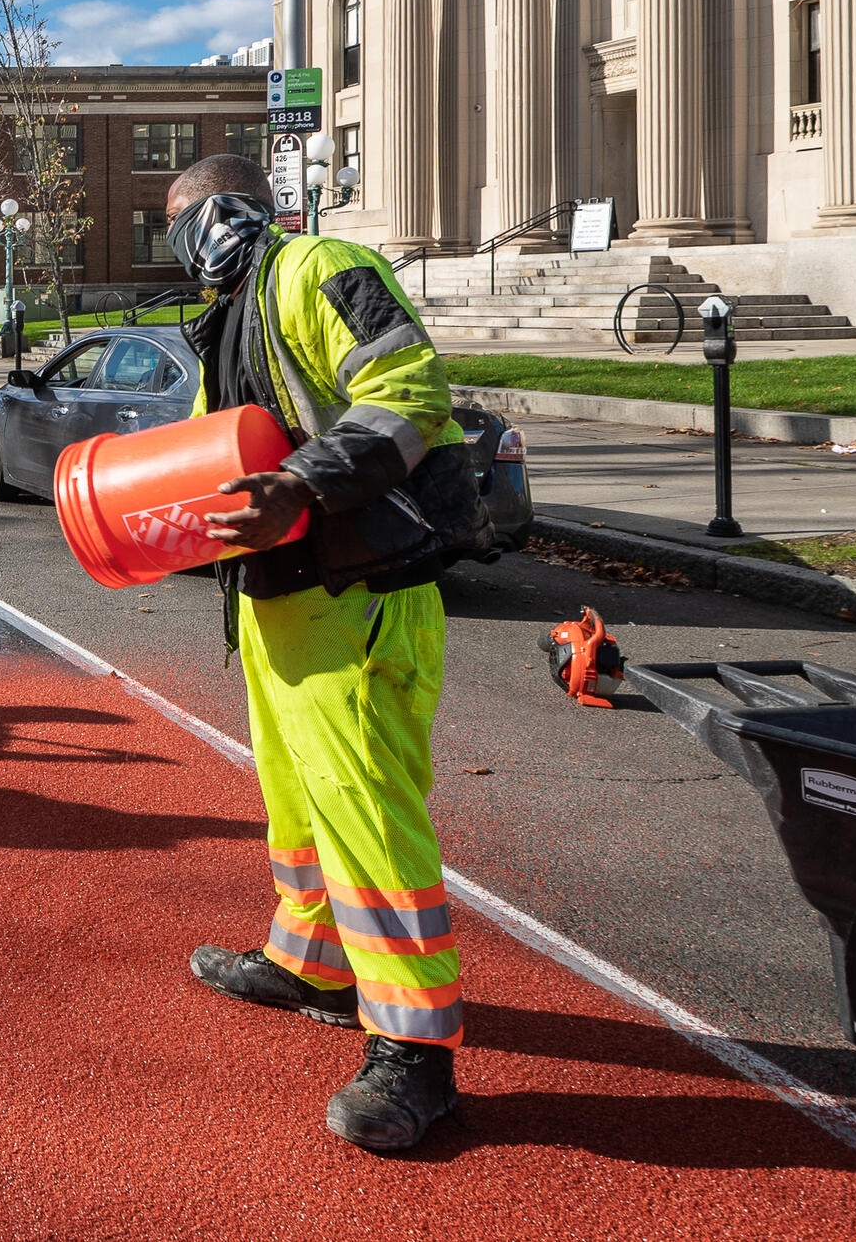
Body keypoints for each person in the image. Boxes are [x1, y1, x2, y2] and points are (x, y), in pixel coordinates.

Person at [167, 152, 493, 1153]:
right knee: (297, 801)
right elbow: (208, 458)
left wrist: (300, 485)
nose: (181, 238)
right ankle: (308, 956)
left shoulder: (316, 268)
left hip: (357, 596)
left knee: (367, 822)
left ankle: (413, 1054)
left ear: (223, 211)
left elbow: (408, 388)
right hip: (280, 608)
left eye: (182, 216)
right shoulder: (231, 314)